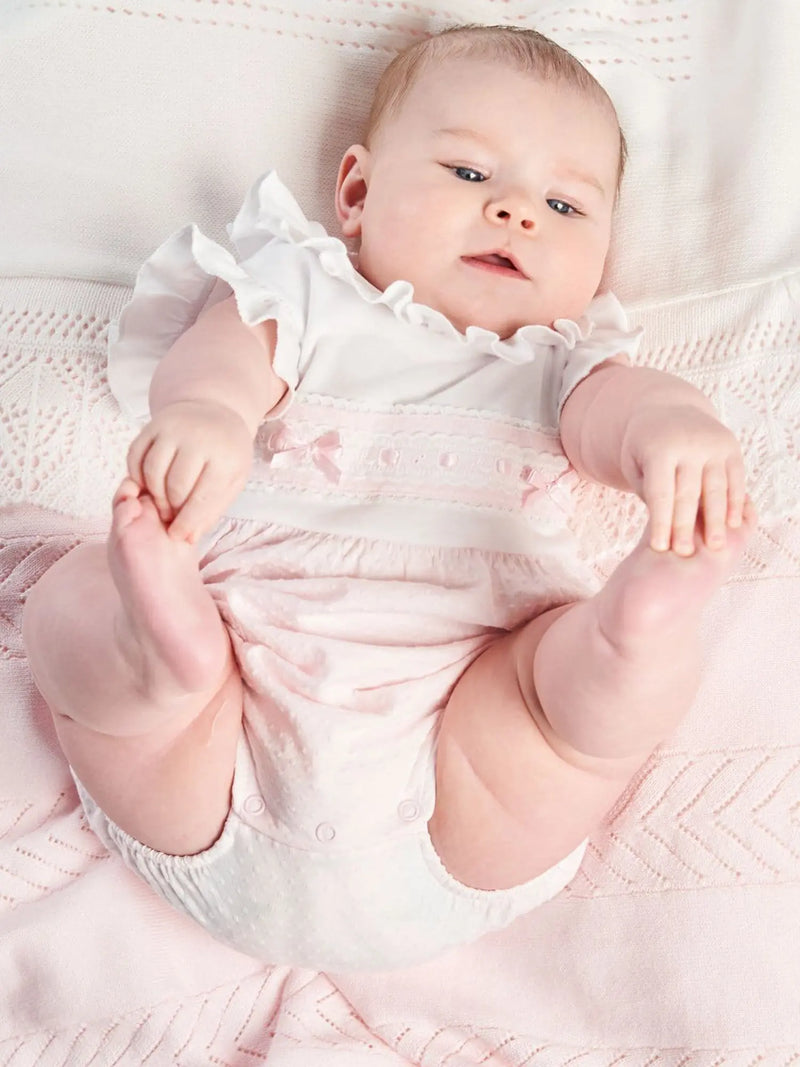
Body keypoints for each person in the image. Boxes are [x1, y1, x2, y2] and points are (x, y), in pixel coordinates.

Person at [22, 24, 753, 972]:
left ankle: (626, 638)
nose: (516, 214)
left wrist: (676, 431)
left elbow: (628, 412)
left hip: (466, 775)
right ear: (358, 193)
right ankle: (159, 654)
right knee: (76, 594)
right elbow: (227, 359)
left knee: (561, 708)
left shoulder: (562, 365)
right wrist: (207, 413)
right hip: (228, 713)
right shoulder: (303, 295)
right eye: (469, 173)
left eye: (565, 204)